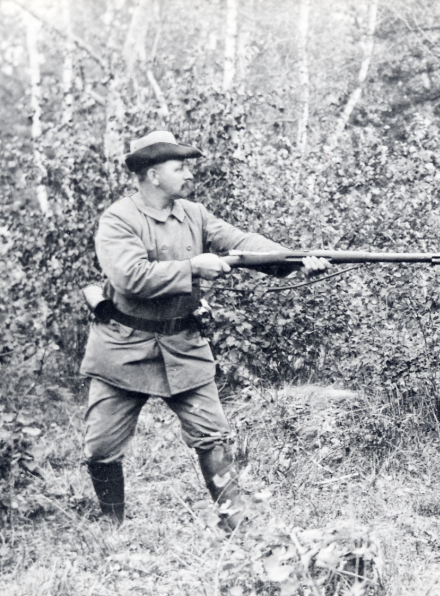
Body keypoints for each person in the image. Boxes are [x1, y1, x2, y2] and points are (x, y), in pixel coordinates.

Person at [79, 130, 328, 531]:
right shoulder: (118, 220)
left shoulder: (194, 214)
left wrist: (295, 259)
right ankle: (112, 528)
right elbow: (129, 278)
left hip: (182, 345)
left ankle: (238, 527)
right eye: (180, 168)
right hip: (122, 348)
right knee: (102, 448)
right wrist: (192, 268)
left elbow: (242, 242)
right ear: (154, 175)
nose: (189, 175)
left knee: (212, 437)